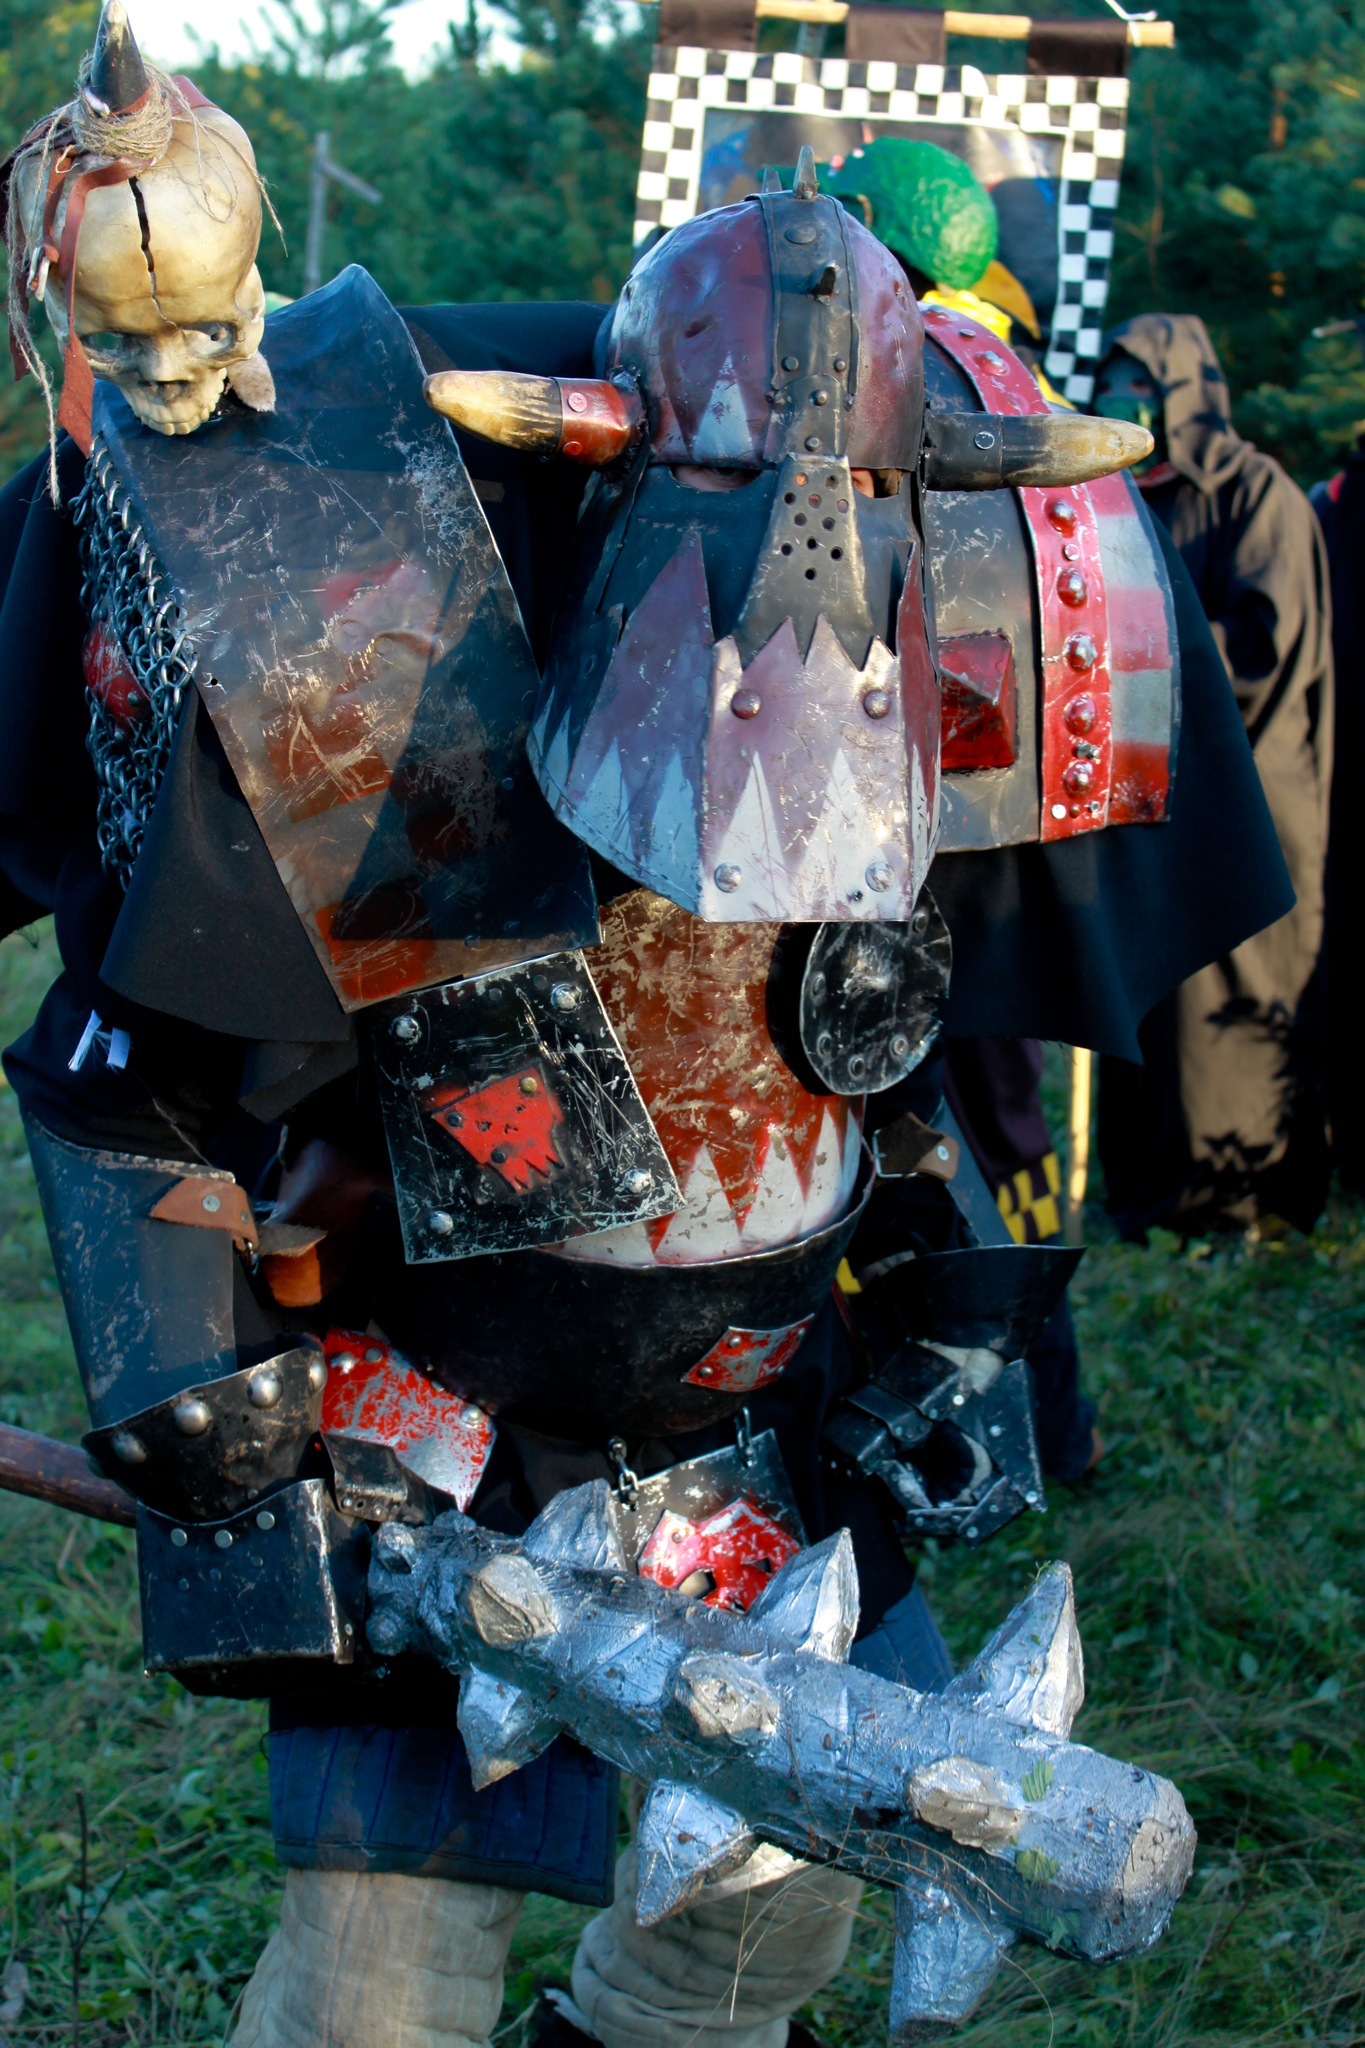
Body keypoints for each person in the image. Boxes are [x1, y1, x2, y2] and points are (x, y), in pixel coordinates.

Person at [0, 16, 1288, 2044]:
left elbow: (882, 1031)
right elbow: (126, 1055)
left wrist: (944, 1306)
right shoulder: (357, 587)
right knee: (374, 1986)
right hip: (423, 1424)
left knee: (743, 1949)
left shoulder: (988, 595)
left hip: (760, 1425)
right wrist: (212, 1414)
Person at [1094, 315, 1334, 1236]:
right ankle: (1150, 1188)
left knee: (1229, 997)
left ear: (1184, 396)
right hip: (1151, 789)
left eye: (1140, 390)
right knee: (1155, 993)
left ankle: (1237, 1198)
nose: (1124, 406)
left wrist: (1140, 653)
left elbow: (1267, 648)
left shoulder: (1257, 492)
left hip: (1248, 793)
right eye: (1112, 390)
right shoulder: (1124, 499)